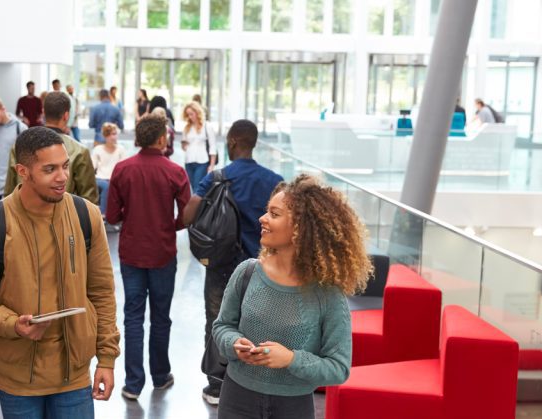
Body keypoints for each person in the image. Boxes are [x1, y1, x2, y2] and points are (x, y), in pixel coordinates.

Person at [0, 127, 121, 419]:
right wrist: (13, 324)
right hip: (18, 379)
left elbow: (101, 292)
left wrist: (107, 358)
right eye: (49, 169)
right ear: (23, 171)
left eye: (64, 166)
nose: (62, 177)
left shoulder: (86, 216)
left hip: (73, 375)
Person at [212, 174, 371, 418]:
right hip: (236, 397)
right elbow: (222, 326)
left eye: (274, 214)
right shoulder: (247, 272)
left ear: (301, 228)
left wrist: (290, 359)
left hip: (293, 408)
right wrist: (233, 343)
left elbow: (338, 368)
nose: (262, 219)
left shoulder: (327, 294)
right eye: (267, 211)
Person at [181, 119, 284, 405]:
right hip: (262, 267)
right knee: (260, 323)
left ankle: (216, 386)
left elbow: (189, 214)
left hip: (221, 264)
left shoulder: (216, 177)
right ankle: (254, 383)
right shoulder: (274, 181)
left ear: (234, 142)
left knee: (217, 320)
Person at [106, 114, 191, 400]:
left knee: (132, 317)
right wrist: (171, 225)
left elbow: (113, 216)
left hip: (130, 253)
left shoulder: (121, 169)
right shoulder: (176, 172)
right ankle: (160, 374)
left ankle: (132, 383)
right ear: (161, 139)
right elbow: (188, 214)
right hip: (163, 253)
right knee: (160, 318)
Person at [4, 91, 99, 205]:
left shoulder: (20, 146)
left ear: (43, 112)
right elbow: (88, 200)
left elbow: (10, 191)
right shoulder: (79, 151)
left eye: (65, 166)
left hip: (22, 216)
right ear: (66, 115)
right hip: (63, 219)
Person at [180, 101, 218, 189]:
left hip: (202, 162)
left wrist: (211, 166)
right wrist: (184, 145)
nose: (190, 117)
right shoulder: (187, 127)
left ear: (197, 112)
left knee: (197, 188)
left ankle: (198, 203)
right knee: (193, 187)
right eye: (188, 114)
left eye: (191, 114)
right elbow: (184, 146)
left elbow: (213, 146)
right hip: (188, 162)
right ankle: (200, 203)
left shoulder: (207, 126)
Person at [92, 123, 127, 218]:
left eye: (115, 134)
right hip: (100, 178)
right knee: (107, 186)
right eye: (111, 134)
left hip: (115, 179)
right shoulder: (98, 149)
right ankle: (103, 214)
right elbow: (92, 167)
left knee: (112, 185)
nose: (114, 137)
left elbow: (124, 168)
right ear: (105, 136)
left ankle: (119, 213)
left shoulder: (121, 149)